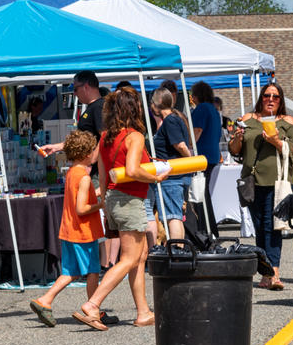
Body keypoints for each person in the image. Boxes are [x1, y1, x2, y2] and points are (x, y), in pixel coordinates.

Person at [71, 86, 169, 330]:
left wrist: (106, 203)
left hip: (114, 198)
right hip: (130, 200)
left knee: (140, 256)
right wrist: (156, 178)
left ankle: (143, 312)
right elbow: (133, 170)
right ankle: (92, 305)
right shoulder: (134, 136)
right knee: (129, 258)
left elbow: (103, 175)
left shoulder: (105, 137)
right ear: (133, 109)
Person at [227, 82, 293, 290]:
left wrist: (277, 141)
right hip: (252, 181)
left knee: (272, 226)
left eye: (275, 97)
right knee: (259, 227)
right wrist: (237, 139)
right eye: (267, 95)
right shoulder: (248, 120)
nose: (270, 99)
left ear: (281, 101)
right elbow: (235, 151)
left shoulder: (287, 121)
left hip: (276, 182)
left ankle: (274, 272)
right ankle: (265, 272)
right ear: (261, 98)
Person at [29, 130, 104, 326]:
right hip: (84, 232)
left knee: (70, 272)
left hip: (69, 230)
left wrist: (96, 194)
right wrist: (101, 204)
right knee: (93, 271)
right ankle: (93, 308)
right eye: (94, 150)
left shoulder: (72, 173)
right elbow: (82, 208)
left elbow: (79, 197)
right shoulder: (85, 177)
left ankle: (45, 300)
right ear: (87, 153)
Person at [146, 88, 192, 243]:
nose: (151, 106)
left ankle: (178, 252)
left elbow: (180, 145)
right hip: (175, 176)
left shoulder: (170, 120)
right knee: (175, 215)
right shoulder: (176, 118)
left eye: (152, 102)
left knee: (173, 216)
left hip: (172, 177)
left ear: (158, 103)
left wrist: (191, 162)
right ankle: (178, 250)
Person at [38, 70, 103, 155]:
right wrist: (55, 148)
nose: (75, 94)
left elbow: (105, 138)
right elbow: (81, 140)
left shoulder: (99, 107)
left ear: (86, 87)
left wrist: (92, 160)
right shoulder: (92, 107)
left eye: (75, 89)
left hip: (96, 166)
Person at [187, 80, 221, 231]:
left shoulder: (201, 109)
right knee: (204, 192)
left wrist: (187, 146)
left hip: (202, 157)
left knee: (200, 193)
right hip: (212, 155)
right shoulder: (213, 109)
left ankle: (206, 228)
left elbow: (197, 131)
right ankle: (210, 228)